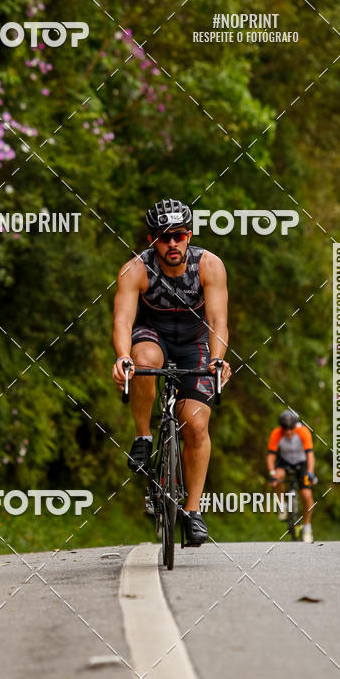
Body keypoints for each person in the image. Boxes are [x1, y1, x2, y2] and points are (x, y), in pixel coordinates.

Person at [111, 198, 231, 545]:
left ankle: (192, 512)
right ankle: (144, 437)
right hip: (153, 337)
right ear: (153, 240)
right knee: (144, 359)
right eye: (165, 237)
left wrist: (218, 358)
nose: (173, 243)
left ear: (189, 235)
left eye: (179, 235)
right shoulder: (135, 270)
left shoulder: (209, 266)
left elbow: (218, 320)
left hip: (194, 344)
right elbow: (122, 320)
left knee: (195, 424)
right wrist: (122, 356)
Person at [267, 409, 316, 543]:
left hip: (302, 464)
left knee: (306, 495)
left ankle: (307, 527)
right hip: (285, 463)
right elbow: (271, 456)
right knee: (276, 478)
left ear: (295, 425)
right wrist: (272, 474)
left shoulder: (303, 432)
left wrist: (310, 473)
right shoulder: (276, 433)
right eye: (285, 429)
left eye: (290, 428)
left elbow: (310, 455)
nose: (288, 432)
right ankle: (282, 505)